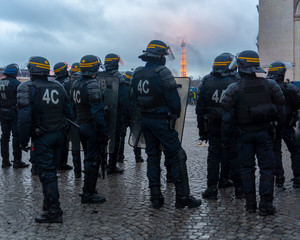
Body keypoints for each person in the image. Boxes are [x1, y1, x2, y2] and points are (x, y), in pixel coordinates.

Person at [131, 40, 202, 209]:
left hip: (145, 121)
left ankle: (156, 197)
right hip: (162, 121)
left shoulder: (138, 73)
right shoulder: (163, 72)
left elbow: (133, 98)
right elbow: (174, 101)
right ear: (160, 56)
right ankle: (182, 197)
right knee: (178, 156)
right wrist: (173, 115)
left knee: (152, 157)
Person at [221, 50, 285, 216]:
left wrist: (227, 139)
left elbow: (226, 113)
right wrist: (278, 128)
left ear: (241, 67)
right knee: (266, 169)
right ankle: (266, 205)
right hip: (264, 133)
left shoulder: (233, 88)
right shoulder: (270, 84)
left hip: (244, 135)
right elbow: (281, 105)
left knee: (246, 169)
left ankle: (250, 205)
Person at [17, 56, 74, 223]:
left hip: (42, 136)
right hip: (58, 135)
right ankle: (47, 204)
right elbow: (68, 111)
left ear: (31, 70)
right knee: (50, 172)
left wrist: (23, 140)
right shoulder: (57, 86)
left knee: (47, 174)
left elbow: (24, 118)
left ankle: (54, 211)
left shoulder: (26, 87)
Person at [196, 53, 242, 200]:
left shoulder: (206, 81)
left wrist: (202, 131)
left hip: (213, 125)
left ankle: (211, 188)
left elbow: (200, 109)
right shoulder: (237, 80)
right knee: (234, 155)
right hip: (233, 125)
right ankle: (239, 189)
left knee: (214, 156)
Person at [71, 55, 107, 203]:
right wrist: (103, 130)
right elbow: (97, 110)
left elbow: (73, 107)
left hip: (80, 124)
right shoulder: (92, 84)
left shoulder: (76, 84)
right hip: (91, 126)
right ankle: (88, 192)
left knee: (88, 157)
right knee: (92, 160)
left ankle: (90, 188)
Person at [267, 61, 300, 188]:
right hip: (287, 125)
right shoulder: (289, 88)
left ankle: (279, 178)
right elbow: (298, 104)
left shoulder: (267, 86)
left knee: (276, 152)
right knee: (296, 150)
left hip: (273, 126)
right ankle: (298, 178)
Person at [98, 53, 128, 174]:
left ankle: (102, 164)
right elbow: (124, 99)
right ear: (116, 64)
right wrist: (126, 116)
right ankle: (111, 165)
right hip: (116, 114)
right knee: (115, 140)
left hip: (101, 113)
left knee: (101, 139)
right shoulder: (119, 78)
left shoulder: (98, 76)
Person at [0, 64, 29, 168]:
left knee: (4, 137)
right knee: (16, 137)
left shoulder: (0, 82)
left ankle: (5, 161)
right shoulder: (17, 84)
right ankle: (17, 160)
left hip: (2, 113)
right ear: (15, 72)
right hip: (14, 113)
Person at [118, 71, 144, 163]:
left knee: (121, 137)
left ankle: (119, 157)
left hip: (123, 116)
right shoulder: (135, 87)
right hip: (134, 116)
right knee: (136, 137)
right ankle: (138, 157)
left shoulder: (120, 87)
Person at [53, 62, 73, 171]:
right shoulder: (67, 83)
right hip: (65, 116)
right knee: (64, 141)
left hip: (55, 116)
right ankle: (62, 163)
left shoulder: (53, 83)